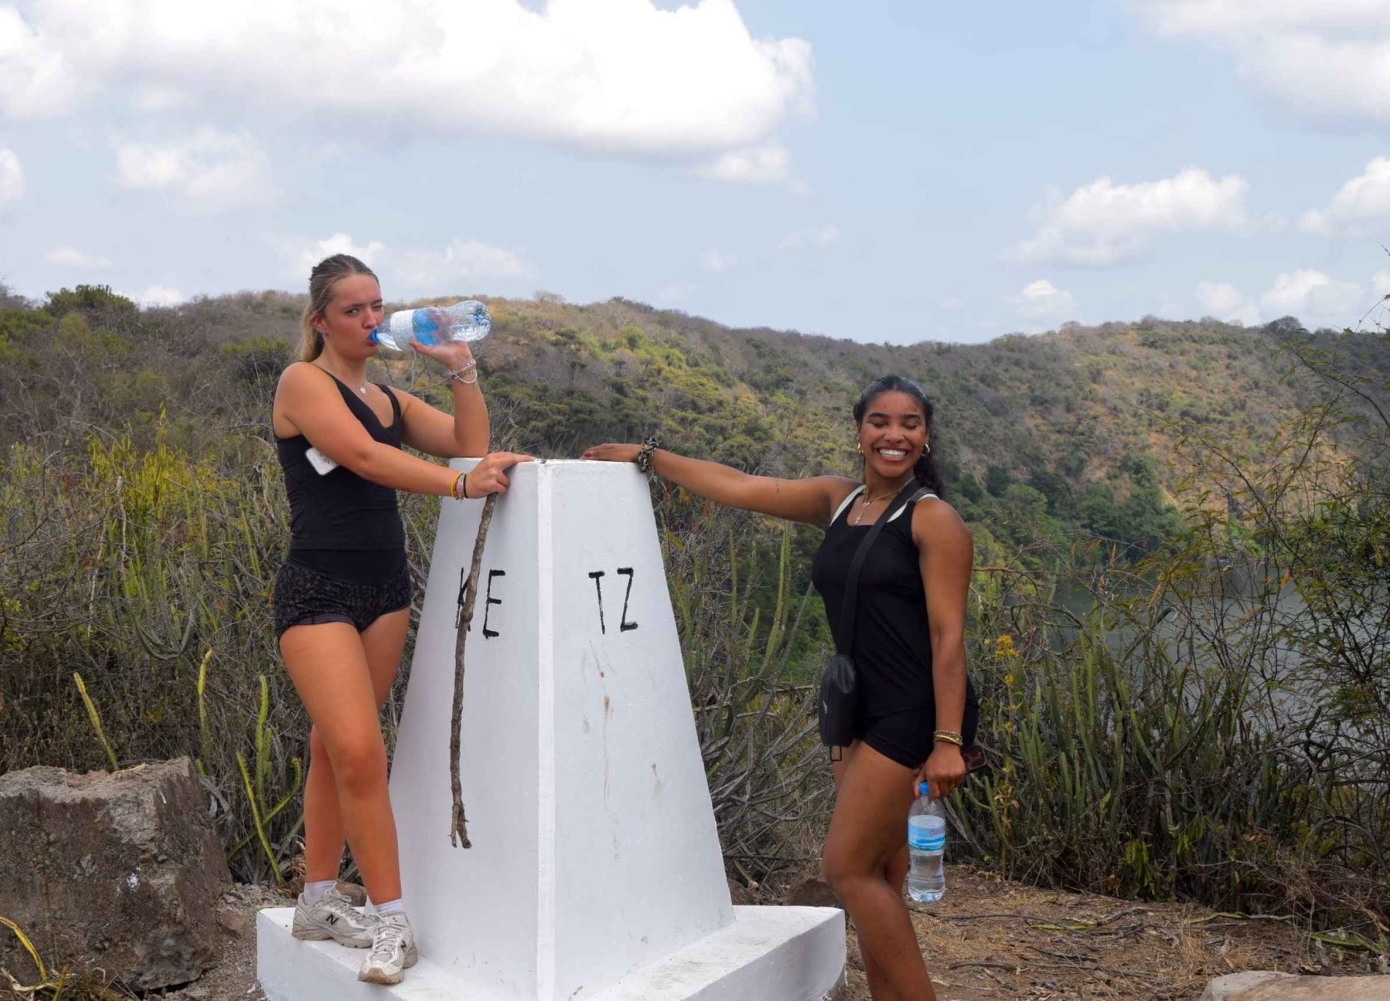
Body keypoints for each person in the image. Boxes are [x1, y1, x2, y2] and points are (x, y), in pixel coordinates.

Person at [582, 375, 978, 1001]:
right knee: (878, 874)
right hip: (856, 705)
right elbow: (739, 486)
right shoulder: (838, 500)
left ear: (926, 438)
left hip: (912, 711)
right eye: (879, 421)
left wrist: (948, 740)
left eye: (910, 424)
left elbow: (947, 637)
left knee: (846, 868)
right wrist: (649, 457)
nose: (894, 435)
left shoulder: (933, 519)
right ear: (859, 431)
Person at [272, 254, 530, 986]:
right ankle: (392, 921)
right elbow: (362, 457)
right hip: (316, 589)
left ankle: (318, 900)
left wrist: (459, 366)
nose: (370, 320)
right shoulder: (302, 382)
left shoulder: (387, 397)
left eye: (376, 306)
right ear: (321, 320)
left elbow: (467, 443)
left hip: (384, 589)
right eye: (353, 310)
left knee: (334, 750)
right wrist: (459, 487)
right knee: (361, 753)